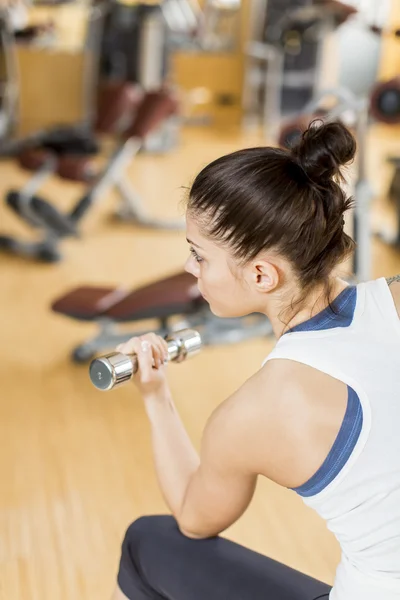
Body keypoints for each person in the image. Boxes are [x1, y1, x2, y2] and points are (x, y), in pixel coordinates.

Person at [111, 120, 400, 600]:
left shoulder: (255, 412)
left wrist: (156, 396)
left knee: (148, 541)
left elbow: (193, 516)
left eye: (198, 255)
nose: (189, 268)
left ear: (262, 274)